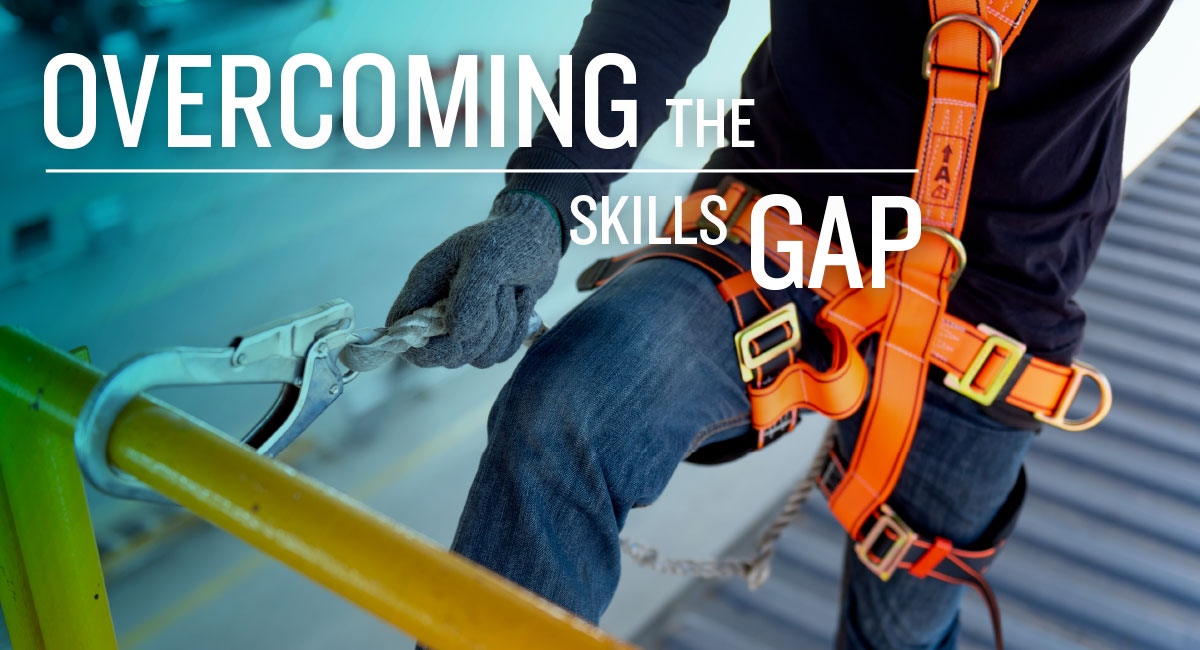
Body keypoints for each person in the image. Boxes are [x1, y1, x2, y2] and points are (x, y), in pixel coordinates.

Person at [388, 1, 1171, 647]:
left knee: (902, 632)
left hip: (992, 310)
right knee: (568, 407)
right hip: (780, 220)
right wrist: (547, 198)